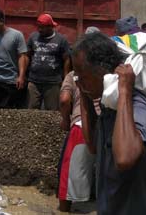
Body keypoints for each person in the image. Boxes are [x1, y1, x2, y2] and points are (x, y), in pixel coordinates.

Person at [74, 32, 146, 214]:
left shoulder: (136, 105)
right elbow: (92, 145)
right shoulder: (109, 108)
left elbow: (124, 158)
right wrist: (84, 95)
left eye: (82, 75)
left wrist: (124, 90)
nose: (79, 81)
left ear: (102, 72)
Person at [57, 70, 95, 212]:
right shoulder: (110, 72)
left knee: (67, 175)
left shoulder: (74, 74)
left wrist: (66, 120)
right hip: (110, 126)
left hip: (81, 127)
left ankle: (64, 209)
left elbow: (64, 100)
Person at [26, 14, 71, 110]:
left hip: (52, 82)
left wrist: (65, 77)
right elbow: (27, 55)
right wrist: (23, 75)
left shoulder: (61, 40)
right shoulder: (33, 37)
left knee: (52, 110)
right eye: (38, 27)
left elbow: (66, 59)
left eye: (42, 28)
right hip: (34, 81)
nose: (39, 30)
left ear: (50, 27)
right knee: (31, 109)